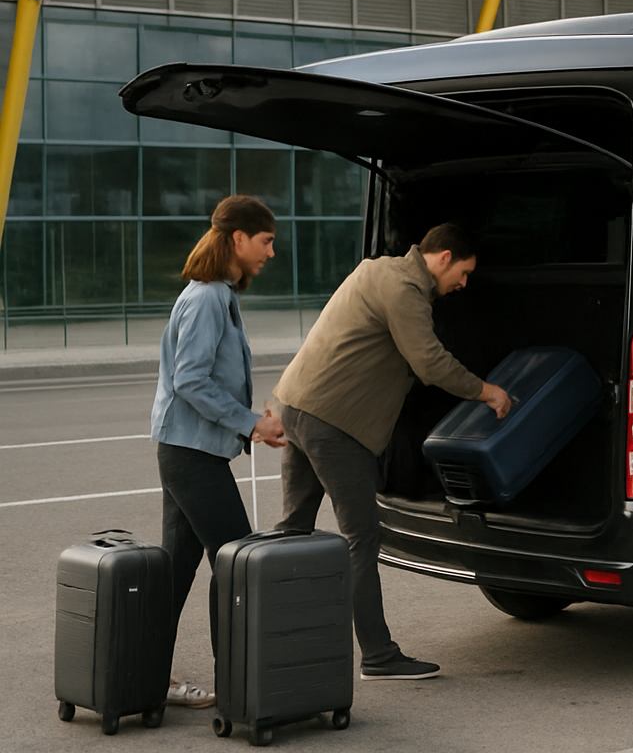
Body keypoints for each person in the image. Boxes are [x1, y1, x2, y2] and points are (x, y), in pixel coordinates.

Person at [269, 223, 513, 680]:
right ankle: (379, 655)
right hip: (334, 425)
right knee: (362, 538)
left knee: (293, 532)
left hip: (297, 406)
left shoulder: (377, 269)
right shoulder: (405, 289)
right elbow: (429, 361)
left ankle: (278, 638)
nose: (463, 284)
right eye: (463, 272)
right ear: (442, 258)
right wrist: (488, 392)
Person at [152, 195, 287, 709]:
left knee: (177, 569)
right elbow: (190, 380)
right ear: (238, 239)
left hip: (186, 448)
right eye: (266, 241)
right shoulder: (207, 297)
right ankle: (237, 682)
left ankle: (147, 676)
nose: (271, 253)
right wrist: (251, 422)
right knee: (235, 560)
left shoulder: (216, 294)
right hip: (190, 454)